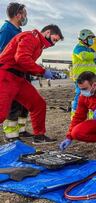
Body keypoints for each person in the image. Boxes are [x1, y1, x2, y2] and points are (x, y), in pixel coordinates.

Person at [0, 24, 63, 144]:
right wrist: (43, 71)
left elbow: (24, 62)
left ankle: (39, 136)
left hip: (19, 78)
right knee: (1, 113)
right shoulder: (31, 37)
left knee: (38, 104)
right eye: (54, 39)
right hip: (6, 75)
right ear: (48, 32)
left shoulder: (38, 44)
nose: (53, 44)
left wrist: (41, 72)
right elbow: (22, 58)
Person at [0, 2, 32, 142]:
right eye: (24, 13)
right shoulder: (7, 30)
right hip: (11, 74)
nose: (26, 16)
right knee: (13, 105)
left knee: (25, 103)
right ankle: (11, 135)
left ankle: (21, 130)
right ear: (18, 15)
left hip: (22, 73)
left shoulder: (18, 31)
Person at [71, 29, 96, 117]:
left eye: (92, 38)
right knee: (80, 97)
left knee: (92, 98)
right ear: (84, 38)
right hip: (82, 79)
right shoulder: (78, 48)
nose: (92, 40)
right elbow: (84, 56)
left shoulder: (91, 50)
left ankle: (91, 117)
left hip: (92, 79)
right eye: (90, 38)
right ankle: (75, 116)